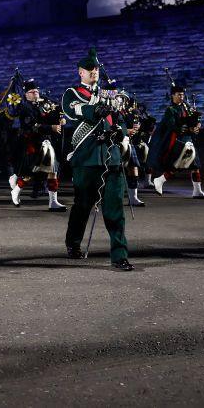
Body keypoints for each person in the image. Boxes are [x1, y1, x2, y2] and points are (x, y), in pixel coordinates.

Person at [62, 48, 133, 270]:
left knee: (114, 209)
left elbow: (119, 119)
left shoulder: (108, 93)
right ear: (80, 72)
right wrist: (96, 109)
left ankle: (119, 256)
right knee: (82, 205)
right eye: (89, 70)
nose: (94, 72)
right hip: (86, 157)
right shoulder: (72, 92)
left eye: (96, 69)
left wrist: (119, 131)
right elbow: (75, 111)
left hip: (110, 157)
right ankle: (73, 243)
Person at [9, 79, 65, 211]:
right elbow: (32, 126)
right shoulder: (24, 108)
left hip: (45, 142)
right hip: (31, 143)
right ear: (26, 94)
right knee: (31, 172)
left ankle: (53, 202)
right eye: (32, 92)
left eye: (37, 91)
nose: (36, 93)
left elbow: (49, 116)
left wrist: (59, 119)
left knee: (53, 170)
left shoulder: (42, 104)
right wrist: (51, 127)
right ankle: (16, 190)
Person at [149, 82, 204, 198]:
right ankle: (160, 180)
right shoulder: (170, 110)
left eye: (182, 95)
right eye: (179, 95)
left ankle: (197, 191)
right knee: (179, 164)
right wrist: (188, 127)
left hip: (188, 139)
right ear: (172, 95)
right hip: (178, 140)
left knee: (194, 164)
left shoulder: (186, 107)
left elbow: (195, 120)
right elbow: (173, 126)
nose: (181, 97)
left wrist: (197, 126)